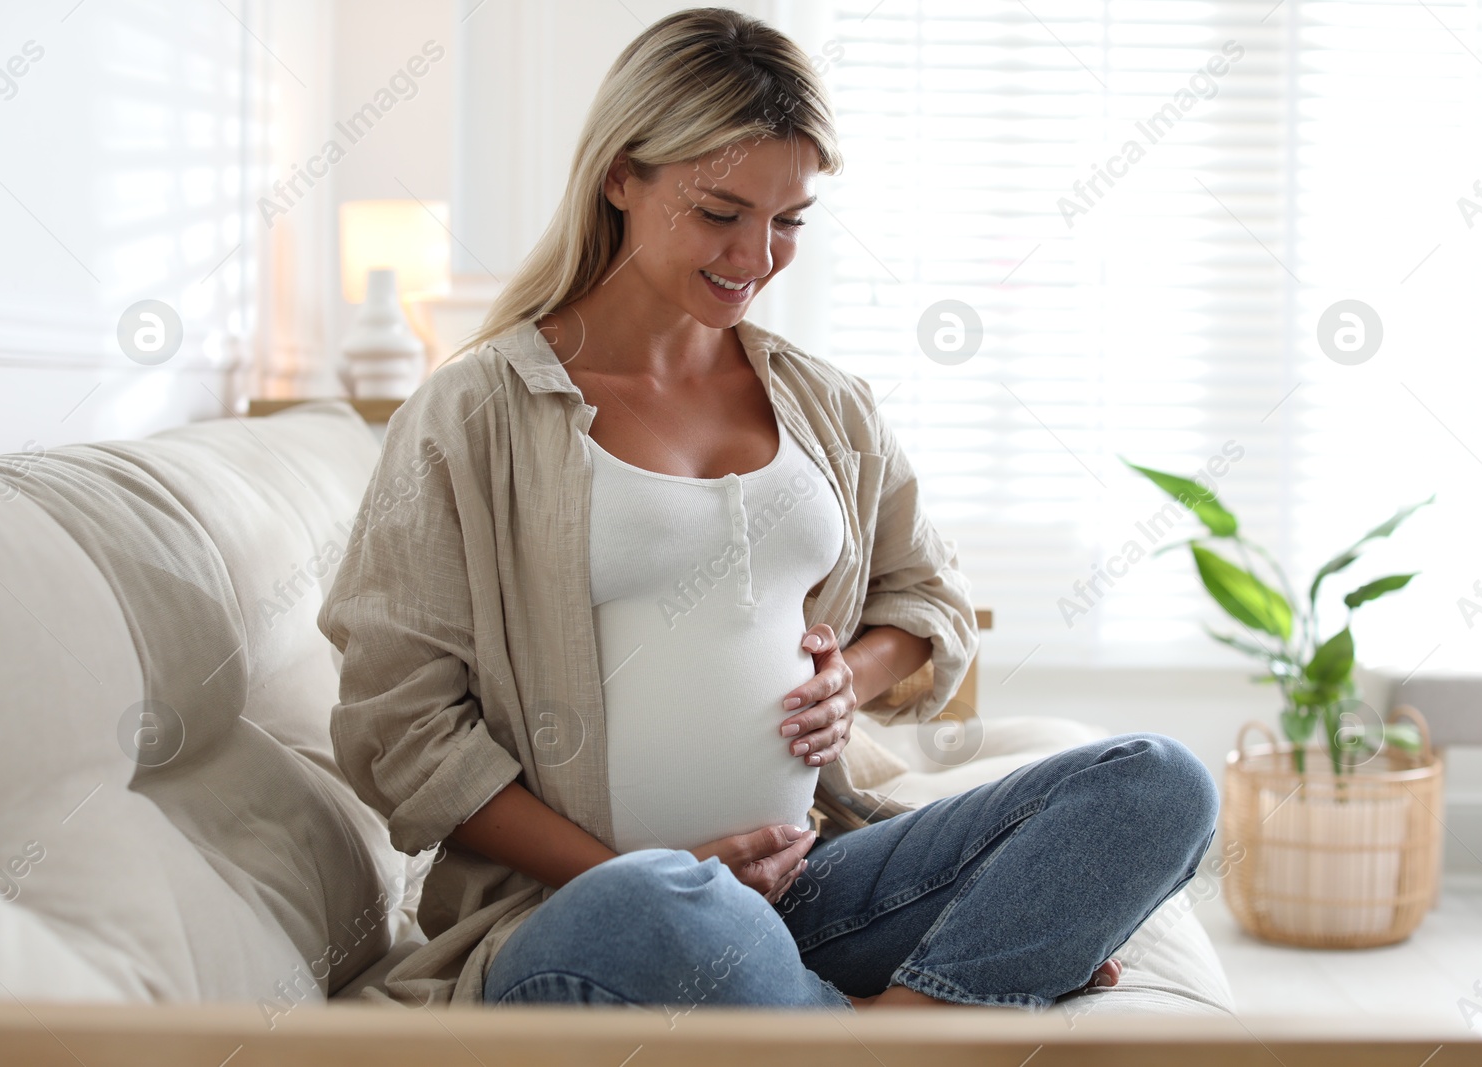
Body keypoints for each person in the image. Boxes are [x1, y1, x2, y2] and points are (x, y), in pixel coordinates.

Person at [318, 6, 1219, 1015]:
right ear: (621, 175)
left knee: (1158, 781)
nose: (757, 254)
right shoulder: (477, 411)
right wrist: (644, 872)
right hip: (600, 909)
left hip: (812, 879)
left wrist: (854, 675)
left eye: (789, 219)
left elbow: (931, 603)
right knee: (671, 906)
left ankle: (877, 1021)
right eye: (719, 212)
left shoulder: (824, 403)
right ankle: (939, 1005)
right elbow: (401, 729)